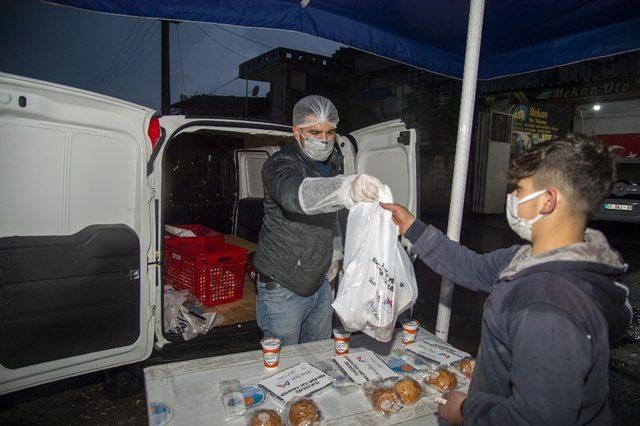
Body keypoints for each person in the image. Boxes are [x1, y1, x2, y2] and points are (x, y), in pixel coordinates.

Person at [381, 134, 632, 425]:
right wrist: (412, 226)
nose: (512, 197)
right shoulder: (530, 258)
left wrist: (465, 412)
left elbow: (537, 419)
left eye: (520, 189)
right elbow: (471, 267)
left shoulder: (549, 305)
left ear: (547, 201)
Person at [253, 95, 384, 346]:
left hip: (321, 282)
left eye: (330, 132)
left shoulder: (330, 164)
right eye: (314, 131)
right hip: (283, 287)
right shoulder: (279, 165)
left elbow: (329, 216)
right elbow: (295, 196)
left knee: (319, 357)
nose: (324, 140)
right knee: (283, 367)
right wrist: (347, 189)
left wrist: (334, 253)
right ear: (296, 132)